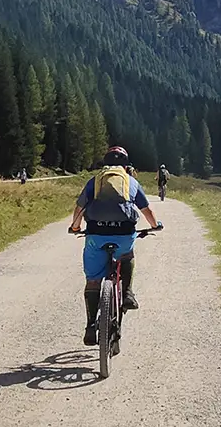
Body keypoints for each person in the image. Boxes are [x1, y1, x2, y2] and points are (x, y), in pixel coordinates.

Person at [68, 145, 160, 346]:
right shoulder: (131, 182)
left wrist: (75, 227)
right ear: (125, 165)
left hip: (96, 234)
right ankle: (127, 293)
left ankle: (91, 325)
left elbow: (79, 208)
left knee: (93, 281)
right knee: (126, 255)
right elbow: (146, 209)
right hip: (123, 234)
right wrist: (155, 225)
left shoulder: (95, 182)